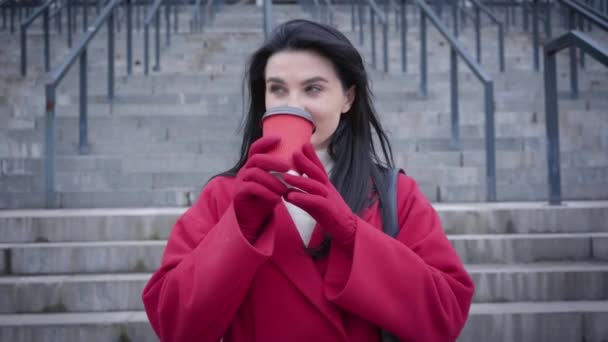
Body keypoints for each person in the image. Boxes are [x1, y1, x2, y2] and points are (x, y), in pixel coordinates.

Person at [142, 19, 474, 342]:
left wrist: (350, 231)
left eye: (313, 88)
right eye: (277, 89)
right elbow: (174, 325)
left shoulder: (395, 194)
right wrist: (238, 230)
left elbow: (444, 317)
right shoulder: (225, 195)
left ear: (347, 98)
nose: (293, 105)